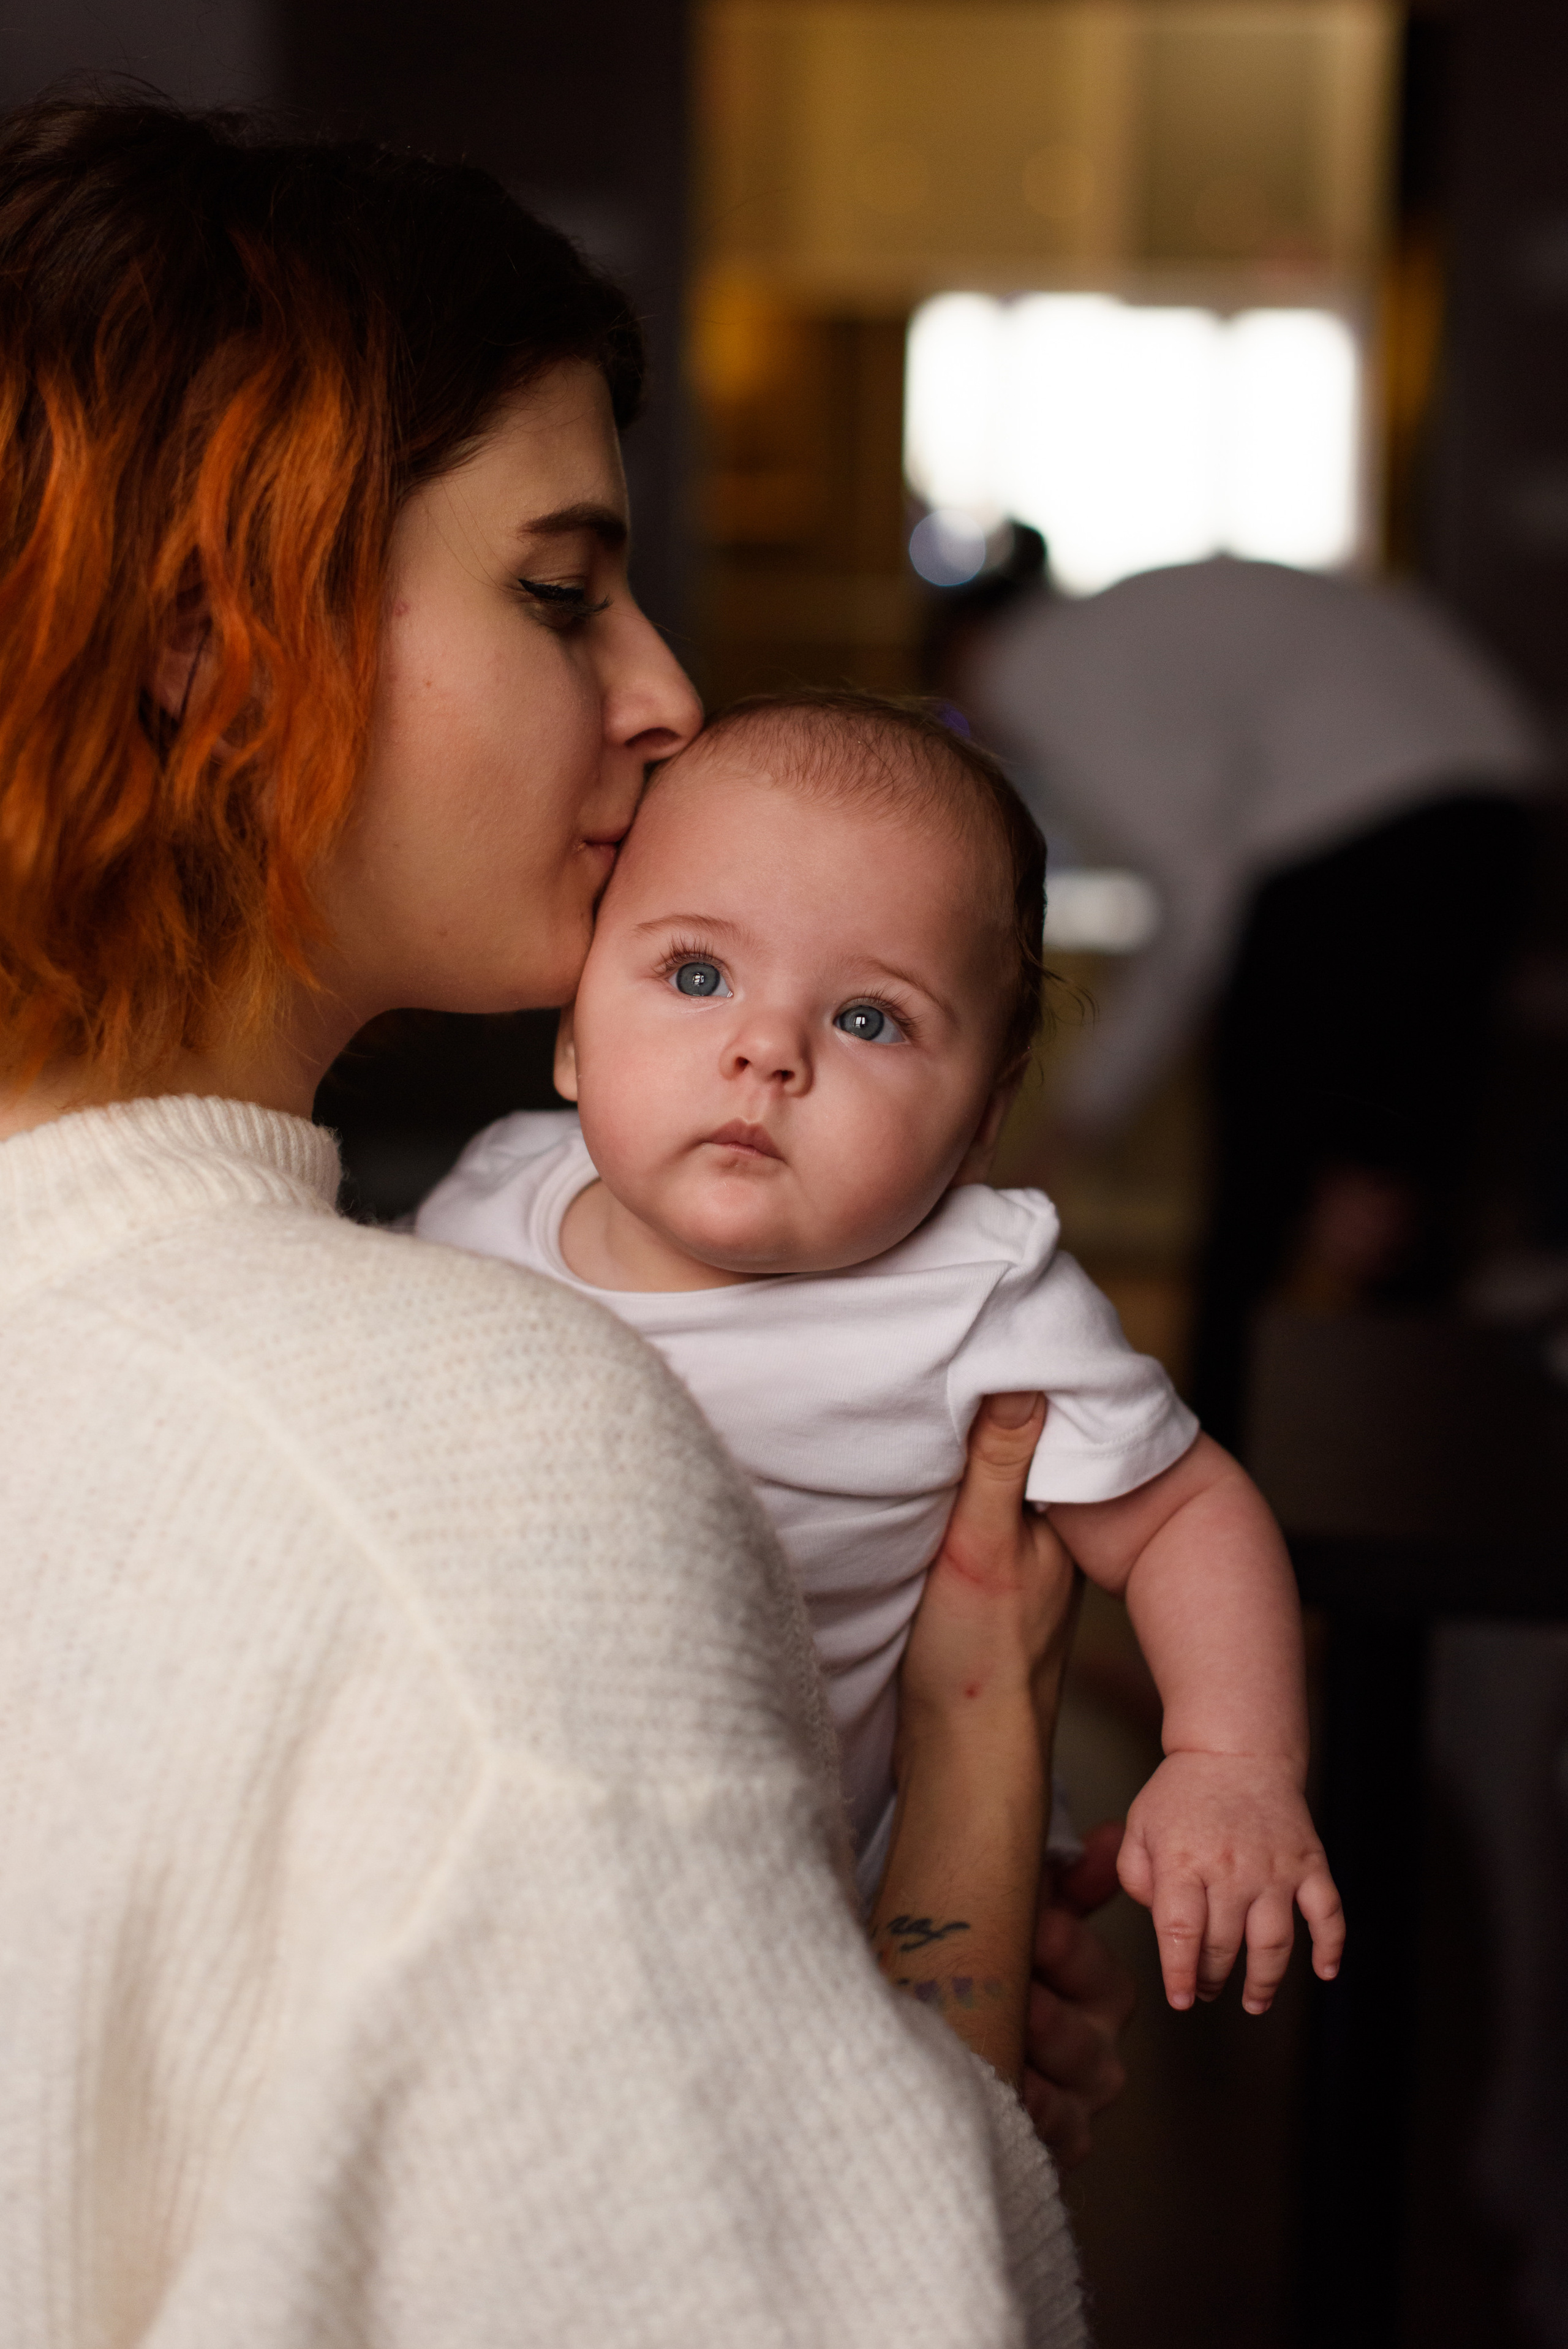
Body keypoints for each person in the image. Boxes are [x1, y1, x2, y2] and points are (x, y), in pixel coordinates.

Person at [0, 101, 1098, 2343]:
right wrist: (974, 1779)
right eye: (562, 592)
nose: (669, 698)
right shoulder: (485, 1469)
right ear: (213, 640)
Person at [417, 688, 1346, 2019]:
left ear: (980, 1120)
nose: (766, 1050)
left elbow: (1183, 1512)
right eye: (696, 976)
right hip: (517, 1856)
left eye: (869, 1019)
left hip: (836, 1907)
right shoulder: (487, 1198)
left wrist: (1230, 1759)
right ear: (572, 1033)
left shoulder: (974, 1297)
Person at [960, 552, 1548, 1449]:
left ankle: (1213, 1463)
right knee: (1394, 1188)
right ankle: (1414, 1476)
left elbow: (1200, 898)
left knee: (1260, 1188)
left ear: (965, 648)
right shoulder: (1121, 629)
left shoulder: (1022, 664)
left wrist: (1082, 1114)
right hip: (1498, 791)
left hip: (1368, 822)